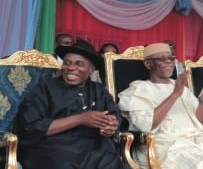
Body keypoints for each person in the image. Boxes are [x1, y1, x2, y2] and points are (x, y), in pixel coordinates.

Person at [118, 43, 203, 169]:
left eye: (171, 58)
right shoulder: (139, 89)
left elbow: (200, 123)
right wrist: (174, 95)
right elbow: (147, 125)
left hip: (196, 144)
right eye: (162, 59)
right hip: (164, 147)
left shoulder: (181, 88)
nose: (169, 62)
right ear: (148, 64)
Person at [14, 40, 129, 169]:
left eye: (79, 64)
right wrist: (80, 119)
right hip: (54, 149)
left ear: (91, 70)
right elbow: (31, 127)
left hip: (95, 150)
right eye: (67, 63)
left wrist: (111, 126)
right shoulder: (45, 88)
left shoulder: (98, 90)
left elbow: (115, 115)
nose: (71, 68)